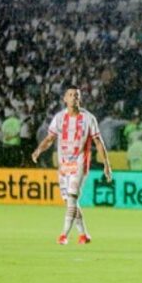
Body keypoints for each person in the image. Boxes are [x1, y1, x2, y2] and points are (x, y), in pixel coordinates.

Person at [32, 85, 112, 245]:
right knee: (70, 201)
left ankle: (63, 235)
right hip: (64, 166)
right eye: (70, 94)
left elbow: (98, 141)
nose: (74, 97)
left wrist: (106, 165)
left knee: (72, 197)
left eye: (76, 95)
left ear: (80, 99)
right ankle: (84, 235)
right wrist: (38, 150)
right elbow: (50, 138)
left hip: (80, 163)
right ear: (65, 99)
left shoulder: (89, 118)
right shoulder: (59, 118)